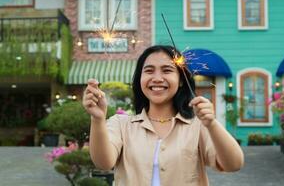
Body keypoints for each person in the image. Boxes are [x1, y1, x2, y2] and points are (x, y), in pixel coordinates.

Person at [83, 45, 244, 186]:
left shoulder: (198, 126)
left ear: (181, 80)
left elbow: (234, 164)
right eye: (149, 71)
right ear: (140, 79)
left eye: (167, 70)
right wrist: (97, 119)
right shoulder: (121, 124)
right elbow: (103, 163)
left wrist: (212, 124)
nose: (157, 78)